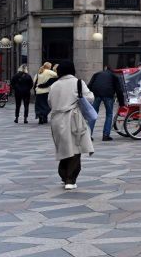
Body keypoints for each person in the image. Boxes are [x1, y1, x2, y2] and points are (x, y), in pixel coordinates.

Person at [48, 62, 94, 190]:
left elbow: (50, 102)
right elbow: (90, 98)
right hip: (74, 119)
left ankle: (63, 175)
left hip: (57, 119)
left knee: (63, 147)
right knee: (75, 148)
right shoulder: (78, 82)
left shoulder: (54, 85)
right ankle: (70, 179)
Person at [88, 65, 125, 142]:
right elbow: (119, 90)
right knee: (109, 114)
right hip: (108, 95)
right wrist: (121, 103)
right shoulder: (114, 76)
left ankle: (88, 135)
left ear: (105, 69)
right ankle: (106, 135)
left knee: (93, 114)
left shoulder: (97, 74)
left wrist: (91, 95)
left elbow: (89, 85)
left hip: (97, 95)